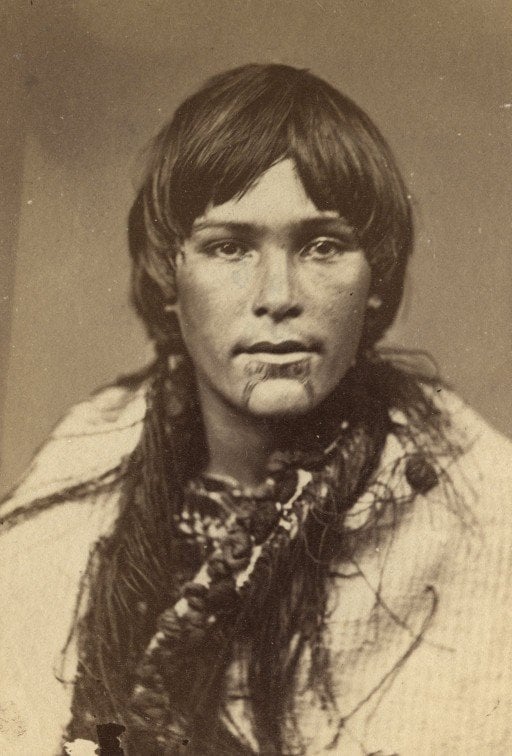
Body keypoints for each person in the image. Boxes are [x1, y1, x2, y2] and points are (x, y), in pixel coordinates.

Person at [1, 63, 511, 756]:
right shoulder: (72, 493)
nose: (277, 296)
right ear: (169, 275)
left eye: (323, 246)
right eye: (229, 247)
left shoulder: (483, 520)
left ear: (375, 277)